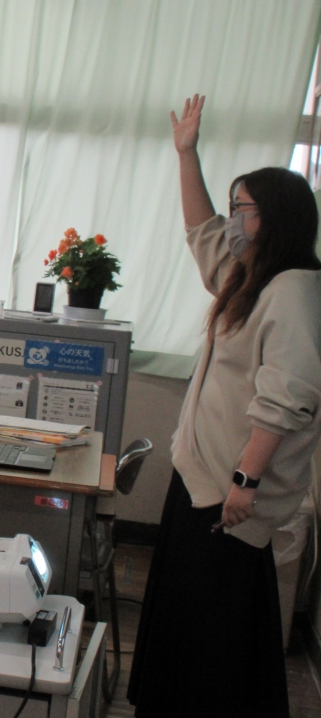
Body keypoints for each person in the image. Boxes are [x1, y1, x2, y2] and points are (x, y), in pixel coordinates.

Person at [128, 95, 321, 718]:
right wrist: (187, 155)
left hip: (232, 491)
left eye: (244, 209)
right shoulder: (250, 276)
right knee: (191, 614)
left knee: (218, 627)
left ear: (278, 218)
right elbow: (202, 233)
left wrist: (247, 480)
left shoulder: (293, 291)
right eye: (234, 207)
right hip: (202, 478)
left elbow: (288, 398)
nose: (232, 220)